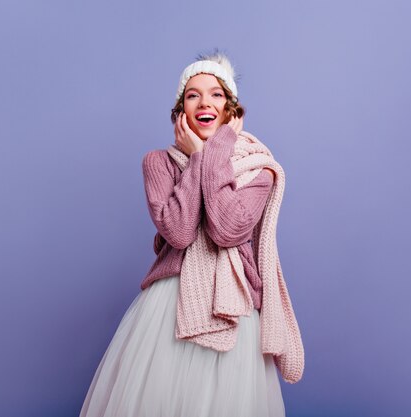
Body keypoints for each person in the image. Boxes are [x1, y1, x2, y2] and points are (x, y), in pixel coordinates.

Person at [79, 51, 303, 417]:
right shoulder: (158, 163)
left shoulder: (259, 168)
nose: (205, 102)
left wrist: (208, 155)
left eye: (216, 94)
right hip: (169, 303)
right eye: (193, 94)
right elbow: (180, 233)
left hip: (234, 305)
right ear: (181, 109)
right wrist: (200, 157)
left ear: (231, 109)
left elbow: (227, 229)